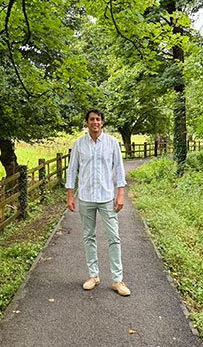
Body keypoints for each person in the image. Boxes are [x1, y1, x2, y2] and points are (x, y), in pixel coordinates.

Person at [65, 108, 130, 296]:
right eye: (92, 119)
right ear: (87, 123)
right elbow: (72, 170)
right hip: (85, 197)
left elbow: (118, 168)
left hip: (107, 197)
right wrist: (70, 195)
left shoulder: (111, 143)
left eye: (98, 119)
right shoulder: (79, 144)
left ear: (102, 123)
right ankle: (93, 276)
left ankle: (117, 280)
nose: (95, 122)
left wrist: (121, 194)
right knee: (89, 236)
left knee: (114, 237)